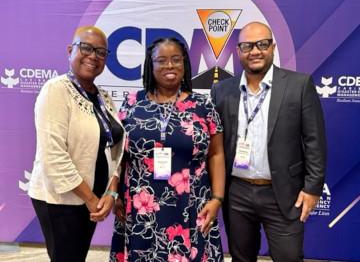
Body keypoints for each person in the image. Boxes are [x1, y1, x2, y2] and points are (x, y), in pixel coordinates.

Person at [211, 22, 327, 262]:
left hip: (283, 191)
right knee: (241, 258)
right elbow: (214, 144)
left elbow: (315, 140)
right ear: (238, 51)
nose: (255, 51)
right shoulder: (222, 90)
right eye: (247, 46)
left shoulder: (299, 85)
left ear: (273, 46)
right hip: (237, 193)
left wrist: (313, 188)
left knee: (289, 257)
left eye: (262, 44)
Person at [110, 37, 226, 261]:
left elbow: (216, 153)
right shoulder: (132, 103)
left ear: (185, 64)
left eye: (176, 59)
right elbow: (119, 155)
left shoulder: (203, 106)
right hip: (140, 205)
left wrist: (217, 199)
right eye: (161, 60)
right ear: (150, 65)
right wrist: (115, 194)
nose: (170, 66)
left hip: (192, 204)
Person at [28, 26, 126, 262]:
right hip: (61, 201)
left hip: (91, 201)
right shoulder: (56, 90)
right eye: (86, 48)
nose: (93, 56)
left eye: (100, 52)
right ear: (70, 50)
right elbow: (54, 157)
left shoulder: (102, 96)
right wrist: (92, 200)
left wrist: (111, 191)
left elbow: (116, 149)